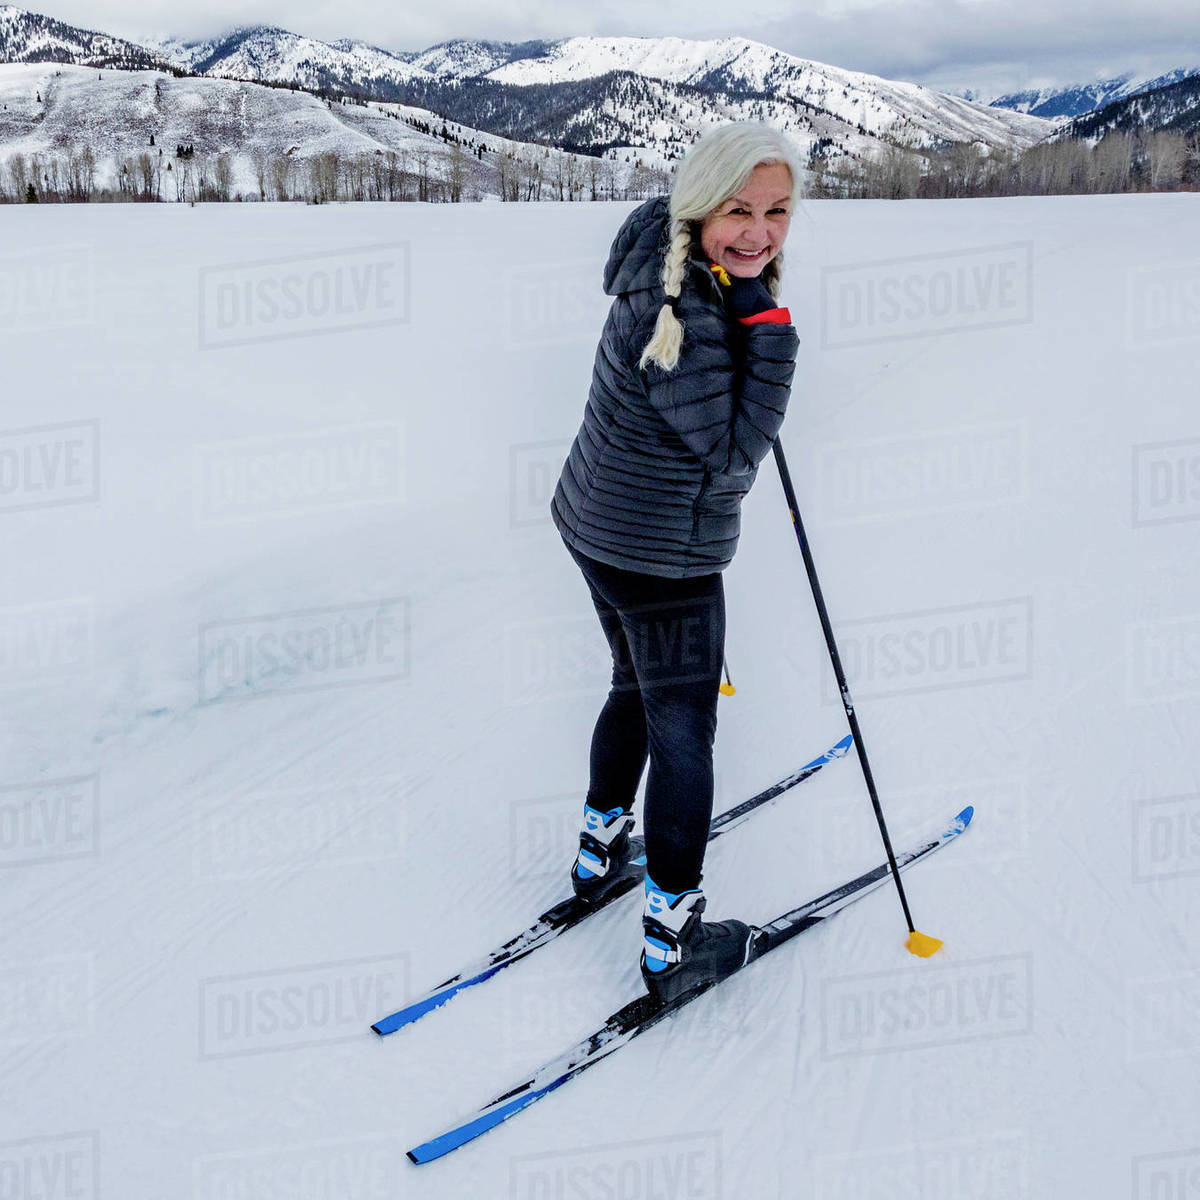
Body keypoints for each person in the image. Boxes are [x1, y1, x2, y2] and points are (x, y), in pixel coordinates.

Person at [550, 122, 803, 1005]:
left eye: (776, 211)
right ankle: (672, 940)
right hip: (661, 555)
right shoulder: (682, 315)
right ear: (698, 206)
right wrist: (767, 332)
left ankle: (597, 849)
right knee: (684, 724)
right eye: (738, 209)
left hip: (594, 525)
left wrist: (745, 306)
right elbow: (735, 449)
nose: (759, 232)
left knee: (633, 684)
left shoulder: (664, 264)